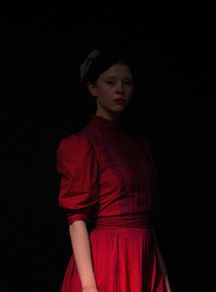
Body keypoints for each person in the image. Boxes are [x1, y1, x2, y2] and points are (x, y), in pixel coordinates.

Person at [56, 48, 172, 292]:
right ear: (92, 88)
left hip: (144, 256)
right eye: (111, 82)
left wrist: (163, 277)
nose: (120, 89)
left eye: (127, 82)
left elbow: (146, 218)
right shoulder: (82, 144)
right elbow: (76, 219)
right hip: (108, 259)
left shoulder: (139, 145)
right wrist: (89, 286)